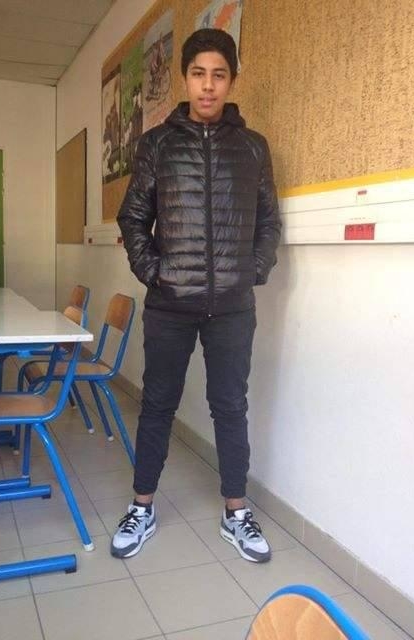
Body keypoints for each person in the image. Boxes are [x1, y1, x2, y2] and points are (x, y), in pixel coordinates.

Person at [113, 28, 282, 563]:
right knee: (158, 403)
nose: (208, 86)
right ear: (185, 79)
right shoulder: (156, 144)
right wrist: (154, 272)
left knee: (230, 406)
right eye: (198, 74)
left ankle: (236, 512)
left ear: (231, 81)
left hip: (232, 307)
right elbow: (132, 218)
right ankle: (142, 506)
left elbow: (269, 222)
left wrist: (253, 269)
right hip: (170, 305)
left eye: (219, 75)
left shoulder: (253, 147)